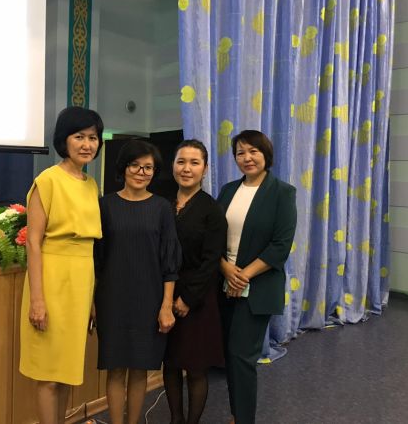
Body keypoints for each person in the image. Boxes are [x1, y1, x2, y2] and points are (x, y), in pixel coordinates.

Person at [20, 106, 104, 424]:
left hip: (81, 281)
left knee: (68, 371)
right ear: (64, 140)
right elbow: (33, 242)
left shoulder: (91, 184)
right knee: (49, 373)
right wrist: (37, 300)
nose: (87, 144)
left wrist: (92, 298)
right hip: (52, 279)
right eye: (79, 136)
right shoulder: (47, 180)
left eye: (93, 137)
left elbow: (92, 248)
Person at [94, 139, 181, 424]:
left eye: (148, 168)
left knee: (140, 368)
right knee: (115, 368)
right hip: (112, 299)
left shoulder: (162, 208)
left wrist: (166, 305)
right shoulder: (105, 206)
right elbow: (96, 260)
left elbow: (170, 262)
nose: (141, 172)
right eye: (135, 165)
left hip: (149, 299)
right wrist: (92, 302)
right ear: (123, 168)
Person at [216, 130, 297, 424]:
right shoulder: (228, 190)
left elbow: (280, 245)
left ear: (266, 155)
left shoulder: (282, 192)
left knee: (241, 355)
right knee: (229, 354)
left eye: (253, 151)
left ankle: (244, 418)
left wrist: (243, 276)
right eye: (240, 152)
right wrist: (225, 269)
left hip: (258, 284)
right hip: (223, 281)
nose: (247, 158)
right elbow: (213, 235)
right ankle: (237, 414)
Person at [163, 139, 226, 424]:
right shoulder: (163, 204)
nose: (186, 169)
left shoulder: (212, 210)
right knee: (170, 363)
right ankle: (175, 419)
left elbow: (212, 261)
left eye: (194, 163)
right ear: (173, 166)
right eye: (181, 162)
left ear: (205, 169)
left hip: (198, 297)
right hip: (165, 293)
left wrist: (187, 298)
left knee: (196, 367)